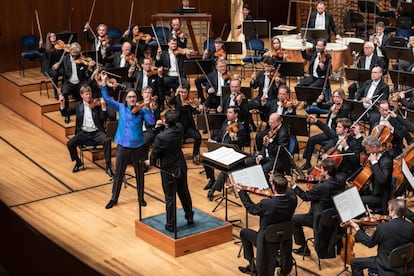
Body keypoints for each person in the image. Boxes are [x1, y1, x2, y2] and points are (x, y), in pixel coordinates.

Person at [100, 72, 155, 209]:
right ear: (126, 98)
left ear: (137, 98)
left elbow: (151, 122)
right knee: (119, 173)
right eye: (129, 97)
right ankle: (114, 198)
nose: (132, 99)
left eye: (134, 97)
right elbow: (106, 98)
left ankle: (140, 197)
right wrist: (104, 82)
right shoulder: (121, 107)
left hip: (138, 146)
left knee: (139, 174)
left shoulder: (142, 110)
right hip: (123, 146)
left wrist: (148, 108)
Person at [236, 173, 298, 276]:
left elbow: (251, 208)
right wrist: (275, 182)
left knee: (244, 233)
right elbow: (289, 191)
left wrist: (241, 192)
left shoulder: (267, 204)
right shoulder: (293, 199)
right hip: (285, 237)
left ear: (274, 188)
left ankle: (252, 266)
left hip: (267, 240)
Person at [150, 109, 194, 232]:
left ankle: (171, 224)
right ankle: (189, 216)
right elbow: (172, 128)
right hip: (180, 165)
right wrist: (163, 126)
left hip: (168, 170)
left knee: (170, 197)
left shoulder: (161, 137)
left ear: (165, 121)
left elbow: (155, 154)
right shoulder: (179, 128)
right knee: (184, 192)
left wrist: (157, 128)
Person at [291, 159, 344, 257]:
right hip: (333, 217)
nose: (320, 170)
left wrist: (294, 186)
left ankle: (304, 248)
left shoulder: (320, 188)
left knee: (293, 219)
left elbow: (305, 196)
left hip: (319, 219)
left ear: (326, 171)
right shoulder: (340, 182)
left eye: (322, 169)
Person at [58, 85, 113, 177]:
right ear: (82, 95)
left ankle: (108, 166)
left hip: (97, 132)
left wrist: (103, 107)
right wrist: (62, 104)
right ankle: (78, 162)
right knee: (70, 144)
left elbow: (104, 118)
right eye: (86, 94)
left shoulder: (96, 105)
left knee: (107, 140)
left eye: (89, 94)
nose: (89, 96)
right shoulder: (78, 105)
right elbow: (65, 113)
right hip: (83, 133)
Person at [349, 199, 414, 276]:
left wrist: (357, 229)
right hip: (405, 263)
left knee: (355, 263)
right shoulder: (411, 227)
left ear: (393, 212)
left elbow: (369, 243)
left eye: (389, 208)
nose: (387, 210)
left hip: (386, 264)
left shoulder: (383, 227)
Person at [301, 117, 362, 184]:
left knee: (336, 179)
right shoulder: (335, 136)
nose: (336, 128)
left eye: (339, 127)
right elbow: (326, 129)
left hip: (342, 170)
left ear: (346, 129)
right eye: (337, 126)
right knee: (310, 171)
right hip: (329, 167)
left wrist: (346, 147)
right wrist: (316, 121)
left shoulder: (352, 142)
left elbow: (356, 159)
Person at [204, 106, 247, 198]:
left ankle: (214, 189)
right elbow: (219, 135)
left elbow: (242, 143)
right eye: (227, 112)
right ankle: (212, 179)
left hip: (232, 153)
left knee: (225, 169)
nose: (228, 114)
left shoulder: (240, 127)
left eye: (230, 112)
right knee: (205, 159)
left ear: (236, 114)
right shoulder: (225, 123)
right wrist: (214, 141)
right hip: (221, 148)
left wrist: (235, 138)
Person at [52, 42, 95, 123]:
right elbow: (55, 69)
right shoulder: (65, 59)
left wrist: (89, 68)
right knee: (64, 93)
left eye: (77, 53)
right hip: (68, 82)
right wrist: (55, 67)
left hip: (80, 82)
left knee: (86, 91)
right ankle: (67, 114)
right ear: (70, 51)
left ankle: (85, 112)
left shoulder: (82, 59)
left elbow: (87, 75)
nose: (75, 55)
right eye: (73, 53)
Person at [245, 113, 290, 177]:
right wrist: (261, 155)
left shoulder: (283, 133)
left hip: (276, 159)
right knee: (247, 161)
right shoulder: (272, 129)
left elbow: (281, 150)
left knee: (263, 170)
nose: (270, 124)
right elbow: (264, 145)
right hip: (266, 156)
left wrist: (269, 144)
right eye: (269, 122)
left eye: (272, 123)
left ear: (279, 122)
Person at [358, 135, 393, 214]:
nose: (367, 152)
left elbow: (382, 179)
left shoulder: (386, 161)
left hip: (380, 197)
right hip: (371, 190)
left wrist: (374, 162)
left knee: (357, 200)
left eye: (368, 150)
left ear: (374, 147)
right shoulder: (375, 155)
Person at [168, 85, 203, 164]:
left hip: (188, 126)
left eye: (185, 93)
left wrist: (199, 109)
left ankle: (195, 154)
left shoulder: (190, 101)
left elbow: (195, 112)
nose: (183, 94)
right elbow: (170, 102)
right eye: (181, 92)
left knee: (198, 137)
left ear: (188, 93)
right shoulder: (176, 99)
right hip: (178, 125)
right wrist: (176, 93)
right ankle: (177, 156)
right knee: (176, 138)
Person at [39, 32, 62, 99]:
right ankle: (56, 93)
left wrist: (59, 63)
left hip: (58, 66)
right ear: (49, 38)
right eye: (51, 36)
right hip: (49, 68)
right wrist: (40, 45)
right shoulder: (46, 46)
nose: (53, 37)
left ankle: (63, 91)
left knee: (66, 72)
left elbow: (64, 56)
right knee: (55, 74)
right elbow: (41, 51)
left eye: (54, 35)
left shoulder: (59, 45)